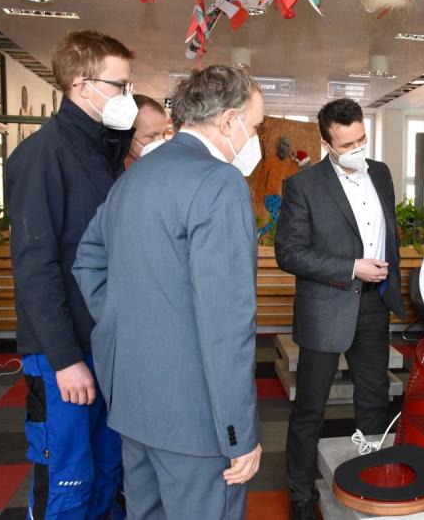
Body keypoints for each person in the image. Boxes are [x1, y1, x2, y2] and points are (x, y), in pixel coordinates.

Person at [72, 64, 264, 519]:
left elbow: (88, 261)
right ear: (229, 121)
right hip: (198, 421)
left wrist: (125, 321)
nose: (255, 137)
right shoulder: (220, 183)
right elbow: (226, 323)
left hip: (134, 402)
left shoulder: (135, 174)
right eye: (255, 126)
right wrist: (238, 433)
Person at [5, 29, 136, 520]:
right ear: (82, 84)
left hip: (103, 343)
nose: (126, 96)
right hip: (63, 354)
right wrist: (64, 360)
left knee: (107, 471)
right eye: (119, 85)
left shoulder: (102, 153)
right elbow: (35, 268)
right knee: (68, 478)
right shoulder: (42, 155)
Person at [275, 98, 406, 520]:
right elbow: (289, 253)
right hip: (326, 308)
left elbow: (389, 232)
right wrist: (351, 267)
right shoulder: (303, 185)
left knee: (374, 401)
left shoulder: (381, 173)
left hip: (374, 305)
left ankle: (370, 476)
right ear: (327, 144)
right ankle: (300, 492)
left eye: (361, 139)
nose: (356, 149)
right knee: (310, 409)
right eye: (347, 144)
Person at [123, 94, 168, 171]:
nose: (161, 143)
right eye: (151, 137)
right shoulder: (105, 169)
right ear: (127, 135)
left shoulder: (162, 170)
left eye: (163, 134)